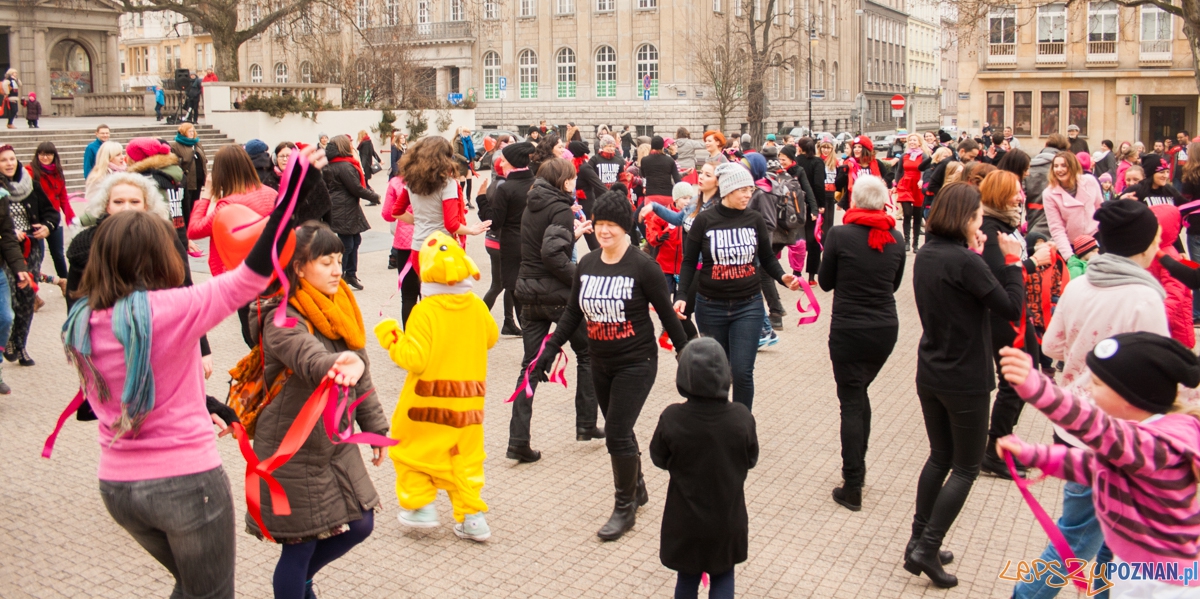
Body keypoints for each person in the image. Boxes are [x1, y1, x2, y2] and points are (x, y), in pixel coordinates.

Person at [60, 149, 321, 599]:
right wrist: (290, 196)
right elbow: (251, 276)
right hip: (185, 484)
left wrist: (206, 403)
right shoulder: (170, 310)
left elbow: (144, 377)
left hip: (119, 487)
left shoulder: (81, 320)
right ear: (161, 256)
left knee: (192, 586)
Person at [1010, 199, 1166, 599]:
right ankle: (1026, 595)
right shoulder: (1145, 299)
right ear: (1145, 246)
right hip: (1117, 438)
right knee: (1078, 539)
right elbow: (1158, 379)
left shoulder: (1080, 284)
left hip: (1074, 423)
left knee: (1111, 540)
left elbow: (1053, 346)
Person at [535, 189, 688, 541]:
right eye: (599, 224)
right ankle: (639, 485)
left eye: (612, 225)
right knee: (620, 427)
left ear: (625, 227)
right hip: (600, 361)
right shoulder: (587, 264)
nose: (603, 231)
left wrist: (686, 357)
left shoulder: (643, 266)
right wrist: (550, 348)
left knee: (617, 433)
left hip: (637, 362)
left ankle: (625, 507)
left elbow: (668, 315)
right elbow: (573, 312)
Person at [997, 333, 1200, 598]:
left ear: (1130, 397)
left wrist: (1039, 390)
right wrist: (1034, 455)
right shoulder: (1141, 438)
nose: (1090, 390)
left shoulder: (1154, 446)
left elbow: (1096, 426)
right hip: (1136, 566)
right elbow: (1094, 467)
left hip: (1163, 582)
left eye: (1098, 383)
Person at [252, 220, 389, 597]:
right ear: (298, 267)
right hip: (290, 447)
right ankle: (297, 587)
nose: (335, 269)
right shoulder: (280, 316)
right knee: (300, 544)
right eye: (325, 261)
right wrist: (335, 364)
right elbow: (307, 356)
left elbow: (361, 372)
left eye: (338, 259)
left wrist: (375, 428)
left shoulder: (340, 303)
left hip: (332, 437)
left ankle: (303, 583)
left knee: (361, 523)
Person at [907, 182, 1025, 588]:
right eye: (977, 217)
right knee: (965, 466)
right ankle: (927, 545)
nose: (982, 224)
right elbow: (1010, 307)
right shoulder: (966, 262)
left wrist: (977, 256)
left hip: (931, 369)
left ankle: (918, 537)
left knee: (939, 457)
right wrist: (1011, 264)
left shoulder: (926, 255)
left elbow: (960, 295)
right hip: (965, 378)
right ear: (966, 218)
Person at [375, 230, 497, 541]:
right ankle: (473, 517)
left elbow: (414, 358)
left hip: (426, 404)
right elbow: (491, 338)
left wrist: (391, 336)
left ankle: (421, 507)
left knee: (413, 451)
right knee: (464, 456)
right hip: (468, 403)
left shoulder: (424, 310)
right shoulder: (476, 306)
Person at [673, 162, 800, 411]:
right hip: (710, 306)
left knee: (742, 372)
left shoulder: (754, 220)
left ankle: (742, 426)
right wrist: (681, 295)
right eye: (743, 190)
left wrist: (783, 277)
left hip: (748, 305)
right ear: (728, 189)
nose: (747, 195)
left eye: (750, 190)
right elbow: (689, 263)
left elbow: (767, 258)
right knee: (718, 371)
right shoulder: (704, 220)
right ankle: (718, 422)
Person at [818, 175, 905, 511]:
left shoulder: (839, 234)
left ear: (853, 201)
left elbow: (825, 283)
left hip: (849, 329)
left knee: (851, 400)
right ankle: (858, 468)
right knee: (859, 392)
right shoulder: (895, 238)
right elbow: (895, 285)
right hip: (884, 329)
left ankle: (853, 482)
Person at [507, 157, 601, 463]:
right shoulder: (561, 207)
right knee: (587, 353)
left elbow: (541, 246)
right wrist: (582, 278)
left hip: (527, 293)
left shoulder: (532, 204)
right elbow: (551, 254)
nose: (575, 182)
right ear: (563, 180)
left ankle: (518, 440)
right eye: (572, 177)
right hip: (557, 298)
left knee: (530, 368)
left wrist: (571, 235)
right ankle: (586, 423)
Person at [650, 338, 758, 599]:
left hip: (685, 520)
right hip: (727, 518)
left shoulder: (672, 417)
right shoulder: (741, 417)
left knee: (686, 578)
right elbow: (751, 458)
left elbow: (658, 458)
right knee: (723, 575)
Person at [977, 170, 1050, 479]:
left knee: (1023, 377)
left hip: (1017, 312)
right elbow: (998, 275)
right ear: (998, 196)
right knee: (1020, 379)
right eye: (1015, 191)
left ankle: (999, 440)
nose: (1021, 196)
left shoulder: (1005, 224)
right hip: (1005, 316)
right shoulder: (991, 227)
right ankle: (995, 447)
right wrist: (1033, 262)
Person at [187, 144, 278, 348]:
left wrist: (205, 196)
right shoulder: (269, 192)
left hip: (242, 276)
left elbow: (194, 229)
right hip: (272, 270)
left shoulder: (227, 204)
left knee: (253, 337)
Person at [394, 136, 490, 276]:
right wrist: (471, 230)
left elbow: (397, 211)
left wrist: (422, 221)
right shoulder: (448, 184)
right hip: (441, 249)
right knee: (444, 296)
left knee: (427, 293)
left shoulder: (411, 182)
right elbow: (451, 224)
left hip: (418, 248)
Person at [0, 145, 56, 366]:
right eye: (3, 160)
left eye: (12, 159)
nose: (9, 163)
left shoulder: (30, 185)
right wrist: (11, 233)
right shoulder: (1, 191)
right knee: (10, 299)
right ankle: (8, 341)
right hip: (7, 252)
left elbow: (51, 212)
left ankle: (21, 345)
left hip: (31, 249)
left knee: (26, 299)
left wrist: (47, 227)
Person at [484, 144, 534, 335]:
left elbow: (495, 222)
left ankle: (530, 347)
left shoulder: (507, 189)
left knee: (515, 292)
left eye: (504, 159)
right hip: (532, 243)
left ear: (512, 163)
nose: (500, 162)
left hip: (512, 246)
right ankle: (531, 338)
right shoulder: (535, 183)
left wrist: (481, 200)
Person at [323, 134, 378, 290]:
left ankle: (350, 273)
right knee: (348, 243)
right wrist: (375, 196)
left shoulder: (335, 164)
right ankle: (344, 274)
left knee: (354, 240)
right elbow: (356, 188)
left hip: (345, 207)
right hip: (343, 208)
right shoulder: (344, 166)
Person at [1042, 151, 1103, 260]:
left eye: (1063, 165)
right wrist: (1069, 258)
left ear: (1073, 166)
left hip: (1096, 239)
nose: (1059, 170)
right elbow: (1057, 228)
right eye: (1056, 166)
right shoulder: (1049, 194)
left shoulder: (1090, 181)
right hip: (1071, 244)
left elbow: (1101, 210)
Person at [1148, 204, 1194, 348]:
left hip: (1175, 330)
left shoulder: (1169, 256)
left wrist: (1157, 317)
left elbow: (1174, 294)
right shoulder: (1152, 252)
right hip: (1163, 327)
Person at [28, 141, 72, 281]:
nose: (44, 157)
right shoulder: (30, 171)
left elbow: (63, 196)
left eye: (48, 154)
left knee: (58, 254)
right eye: (41, 154)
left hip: (54, 219)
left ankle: (67, 284)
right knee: (38, 255)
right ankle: (33, 289)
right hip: (37, 220)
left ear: (54, 156)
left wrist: (70, 217)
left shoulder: (57, 172)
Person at [381, 174, 420, 327]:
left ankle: (410, 337)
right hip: (431, 241)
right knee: (430, 294)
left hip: (405, 242)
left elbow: (387, 214)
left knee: (408, 296)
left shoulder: (397, 182)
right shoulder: (438, 179)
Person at [168, 123, 207, 253]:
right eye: (189, 131)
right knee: (187, 205)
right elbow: (177, 162)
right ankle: (187, 230)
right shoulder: (175, 146)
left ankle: (193, 227)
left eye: (193, 131)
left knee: (195, 203)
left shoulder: (197, 144)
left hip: (198, 179)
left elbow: (204, 160)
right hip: (187, 180)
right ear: (183, 132)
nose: (192, 133)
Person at [1024, 134, 1071, 237]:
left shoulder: (1030, 167)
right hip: (1059, 225)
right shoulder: (1065, 169)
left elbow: (1021, 194)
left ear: (1045, 145)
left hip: (1034, 218)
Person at [895, 133, 927, 251]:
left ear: (919, 142)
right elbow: (899, 171)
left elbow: (925, 170)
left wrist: (922, 180)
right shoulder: (904, 156)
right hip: (905, 185)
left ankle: (915, 243)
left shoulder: (923, 156)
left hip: (918, 185)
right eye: (910, 140)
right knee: (907, 213)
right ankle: (906, 241)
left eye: (915, 140)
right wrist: (896, 184)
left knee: (917, 215)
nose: (912, 142)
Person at [452, 127, 477, 205]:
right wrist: (465, 159)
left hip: (468, 164)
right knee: (462, 183)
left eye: (468, 132)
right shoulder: (458, 141)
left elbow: (471, 152)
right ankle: (459, 200)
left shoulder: (469, 141)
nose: (467, 133)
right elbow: (455, 153)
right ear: (461, 132)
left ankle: (468, 201)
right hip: (460, 163)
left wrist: (475, 158)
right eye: (465, 132)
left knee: (469, 182)